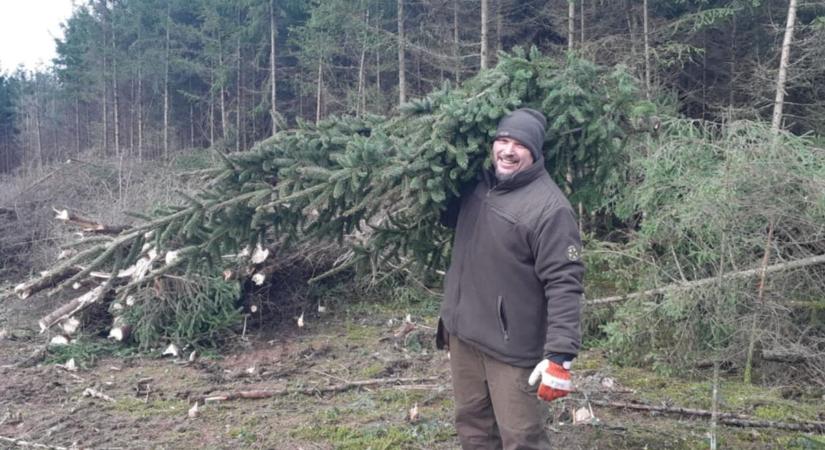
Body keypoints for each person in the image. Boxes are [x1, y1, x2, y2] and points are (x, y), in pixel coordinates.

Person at [437, 108, 585, 450]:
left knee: (521, 439)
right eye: (502, 140)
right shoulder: (478, 186)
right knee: (473, 429)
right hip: (464, 336)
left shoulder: (550, 209)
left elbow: (565, 282)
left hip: (511, 349)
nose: (507, 150)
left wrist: (560, 356)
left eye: (519, 144)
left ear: (534, 152)